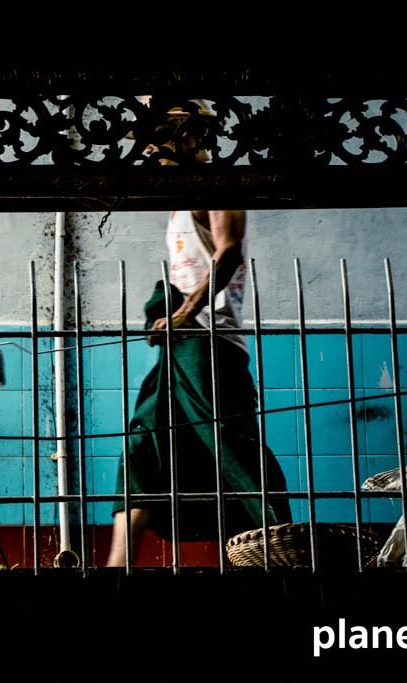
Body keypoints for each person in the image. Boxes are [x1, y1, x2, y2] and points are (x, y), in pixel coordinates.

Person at [105, 99, 291, 567]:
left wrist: (186, 312)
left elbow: (227, 255)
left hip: (211, 345)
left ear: (187, 136)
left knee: (230, 444)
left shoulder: (219, 187)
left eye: (157, 141)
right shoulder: (177, 204)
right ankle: (116, 566)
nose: (149, 153)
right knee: (145, 442)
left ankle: (284, 554)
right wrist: (167, 315)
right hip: (180, 344)